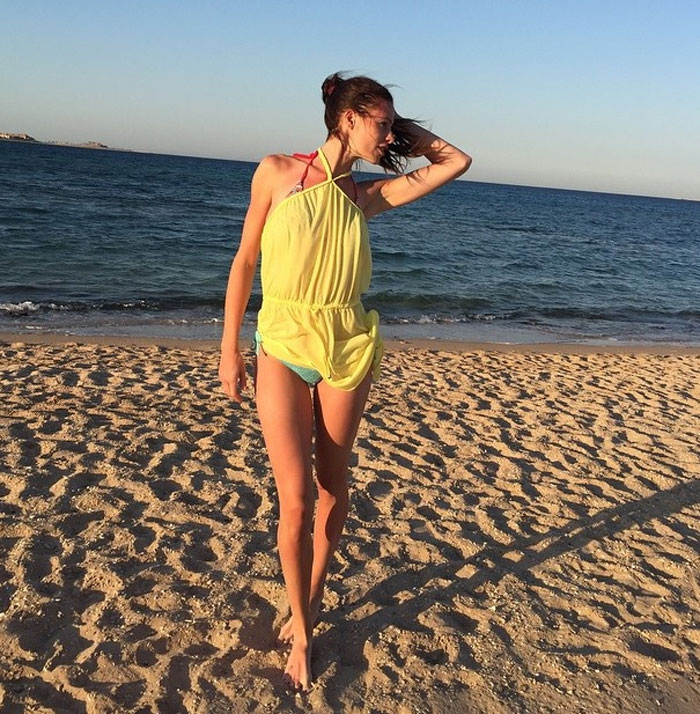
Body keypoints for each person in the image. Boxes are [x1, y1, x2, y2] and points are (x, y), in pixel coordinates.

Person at [218, 71, 471, 692]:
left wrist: (399, 131)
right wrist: (229, 349)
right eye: (380, 123)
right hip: (282, 341)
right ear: (347, 118)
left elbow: (455, 162)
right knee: (295, 500)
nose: (389, 136)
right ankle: (304, 633)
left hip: (347, 346)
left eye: (392, 126)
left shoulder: (363, 196)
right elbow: (245, 259)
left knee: (334, 487)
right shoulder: (277, 172)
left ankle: (310, 597)